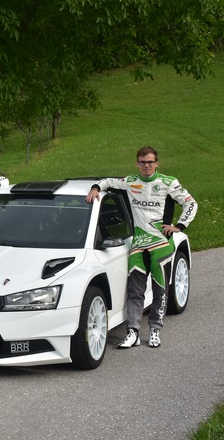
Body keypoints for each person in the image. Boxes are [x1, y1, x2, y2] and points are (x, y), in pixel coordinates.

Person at [86, 146, 197, 348]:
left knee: (160, 289)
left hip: (161, 244)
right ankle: (133, 332)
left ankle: (155, 330)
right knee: (134, 291)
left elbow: (191, 204)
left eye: (150, 162)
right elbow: (107, 182)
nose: (147, 166)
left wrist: (179, 227)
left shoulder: (168, 182)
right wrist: (95, 188)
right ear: (137, 163)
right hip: (138, 245)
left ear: (157, 163)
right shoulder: (130, 182)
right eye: (143, 162)